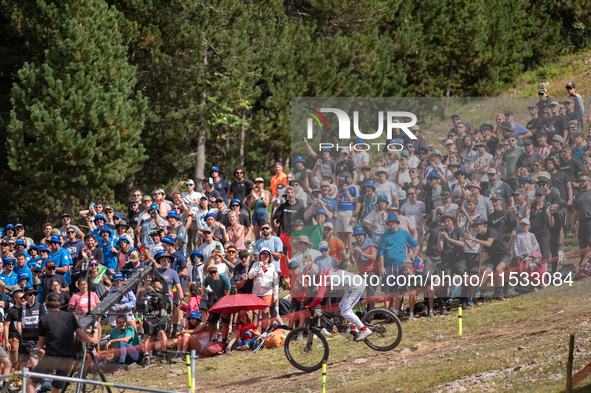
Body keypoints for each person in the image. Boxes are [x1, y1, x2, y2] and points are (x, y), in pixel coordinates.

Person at [25, 291, 100, 393]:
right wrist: (93, 339)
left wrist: (40, 348)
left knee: (31, 381)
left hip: (52, 357)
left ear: (47, 304)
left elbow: (41, 344)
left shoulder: (44, 319)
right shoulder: (70, 317)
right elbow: (81, 335)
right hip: (67, 359)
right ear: (61, 303)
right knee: (56, 386)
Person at [306, 267, 372, 342]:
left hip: (356, 285)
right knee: (341, 306)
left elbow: (320, 296)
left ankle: (364, 329)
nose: (311, 281)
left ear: (313, 275)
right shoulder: (324, 272)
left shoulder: (322, 277)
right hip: (356, 283)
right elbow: (326, 291)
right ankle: (353, 327)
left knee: (345, 312)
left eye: (310, 278)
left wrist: (311, 306)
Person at [378, 213, 419, 314]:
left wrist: (412, 258)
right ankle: (388, 314)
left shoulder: (404, 233)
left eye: (392, 221)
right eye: (389, 222)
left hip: (401, 265)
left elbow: (416, 245)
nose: (391, 223)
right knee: (388, 291)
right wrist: (382, 267)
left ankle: (396, 312)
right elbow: (381, 252)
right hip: (388, 265)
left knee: (399, 290)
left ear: (397, 222)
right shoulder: (384, 235)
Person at [464, 217, 512, 300]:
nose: (475, 229)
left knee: (498, 269)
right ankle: (482, 297)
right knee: (485, 273)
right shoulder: (479, 235)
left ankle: (499, 293)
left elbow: (489, 243)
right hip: (493, 258)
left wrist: (474, 238)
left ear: (483, 225)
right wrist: (465, 240)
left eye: (477, 227)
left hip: (504, 255)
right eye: (474, 227)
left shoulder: (491, 231)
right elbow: (471, 246)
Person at [248, 247, 279, 331]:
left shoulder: (273, 266)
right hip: (256, 293)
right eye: (263, 255)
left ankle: (263, 333)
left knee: (265, 313)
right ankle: (254, 332)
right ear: (260, 256)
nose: (265, 257)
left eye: (266, 255)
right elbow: (250, 276)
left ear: (269, 256)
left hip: (267, 292)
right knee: (255, 313)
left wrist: (275, 295)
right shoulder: (255, 264)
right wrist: (259, 267)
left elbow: (276, 282)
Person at [17, 287, 45, 370]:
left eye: (34, 294)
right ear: (25, 296)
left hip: (35, 337)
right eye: (30, 294)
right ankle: (23, 380)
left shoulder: (40, 306)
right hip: (24, 337)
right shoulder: (22, 309)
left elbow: (41, 323)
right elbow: (18, 324)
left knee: (33, 358)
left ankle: (37, 379)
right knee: (22, 360)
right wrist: (23, 335)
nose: (32, 296)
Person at [201, 265, 231, 342]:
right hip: (217, 299)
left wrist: (223, 310)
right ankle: (211, 339)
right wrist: (198, 290)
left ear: (217, 272)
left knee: (225, 319)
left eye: (214, 272)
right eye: (211, 273)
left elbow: (227, 296)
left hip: (227, 300)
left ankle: (224, 340)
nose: (213, 274)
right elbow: (201, 290)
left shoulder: (224, 279)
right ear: (208, 273)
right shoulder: (207, 278)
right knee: (211, 320)